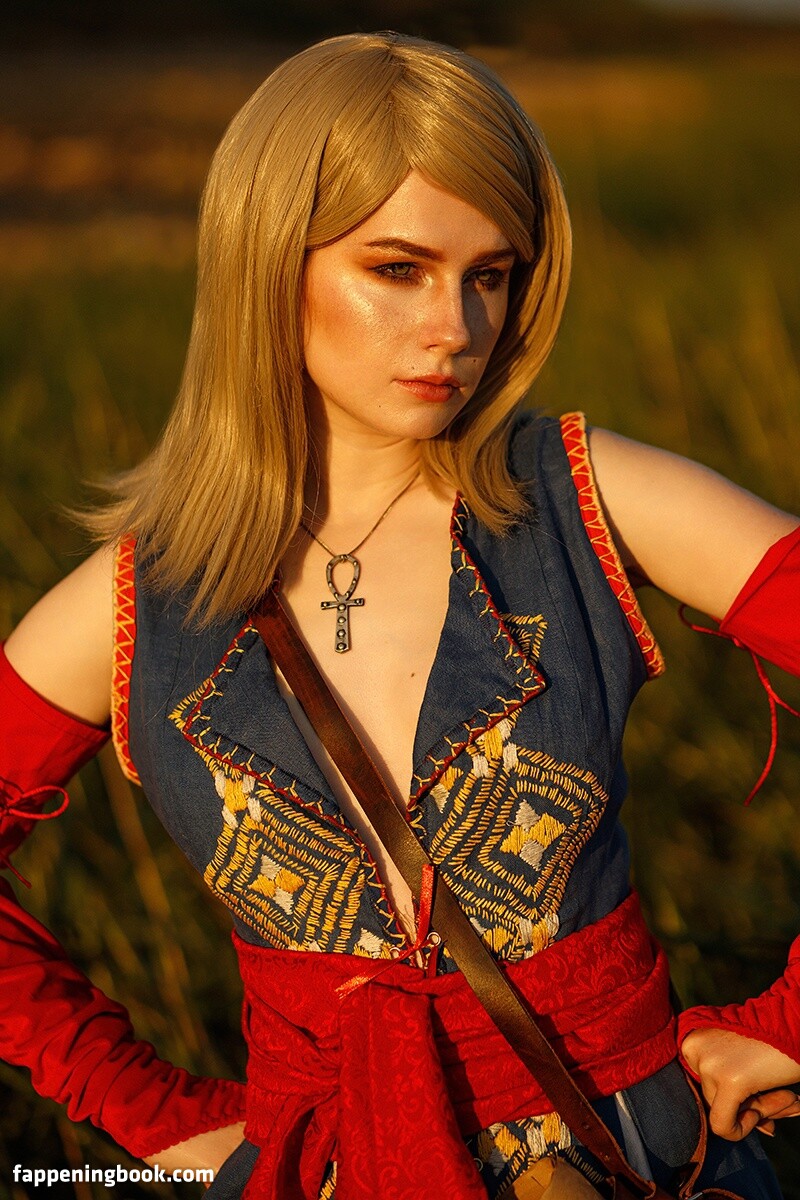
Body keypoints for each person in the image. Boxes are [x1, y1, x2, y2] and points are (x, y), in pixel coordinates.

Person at [1, 30, 799, 1200]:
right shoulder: (129, 607)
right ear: (267, 262)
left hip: (626, 1154)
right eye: (395, 268)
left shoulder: (592, 502)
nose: (455, 328)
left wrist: (786, 1022)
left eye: (489, 273)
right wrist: (146, 1110)